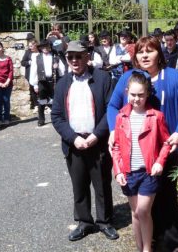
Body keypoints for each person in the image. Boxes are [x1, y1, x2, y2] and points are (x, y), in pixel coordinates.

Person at [107, 36, 178, 252]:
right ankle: (149, 241)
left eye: (150, 51)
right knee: (144, 203)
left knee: (167, 196)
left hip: (166, 149)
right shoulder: (129, 78)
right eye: (140, 52)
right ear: (135, 56)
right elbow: (112, 107)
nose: (145, 55)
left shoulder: (173, 77)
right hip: (138, 153)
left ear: (159, 54)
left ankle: (172, 242)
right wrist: (112, 131)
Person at [51, 41, 119, 243]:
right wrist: (73, 138)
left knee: (102, 184)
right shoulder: (62, 83)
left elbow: (110, 110)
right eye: (70, 57)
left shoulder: (103, 78)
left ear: (87, 57)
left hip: (96, 141)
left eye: (78, 56)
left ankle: (105, 221)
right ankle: (84, 222)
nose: (74, 60)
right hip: (74, 144)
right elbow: (56, 116)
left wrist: (96, 135)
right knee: (79, 185)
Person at [113, 72, 172, 252]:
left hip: (148, 172)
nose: (137, 99)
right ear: (126, 92)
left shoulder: (156, 117)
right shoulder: (121, 117)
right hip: (129, 173)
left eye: (141, 95)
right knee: (134, 213)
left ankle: (148, 249)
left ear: (147, 94)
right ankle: (140, 247)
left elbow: (166, 143)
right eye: (133, 94)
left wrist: (159, 162)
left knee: (143, 211)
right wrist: (118, 171)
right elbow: (116, 146)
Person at [29, 39, 58, 127]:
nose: (45, 48)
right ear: (41, 48)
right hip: (41, 82)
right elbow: (33, 71)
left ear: (49, 47)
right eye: (43, 47)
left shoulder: (53, 56)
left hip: (52, 81)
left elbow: (60, 69)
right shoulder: (37, 57)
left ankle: (55, 119)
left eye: (47, 46)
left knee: (54, 101)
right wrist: (34, 84)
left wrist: (56, 65)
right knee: (41, 101)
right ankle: (41, 119)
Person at [20, 39, 40, 112]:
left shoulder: (40, 52)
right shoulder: (28, 52)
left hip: (40, 74)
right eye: (29, 46)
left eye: (31, 46)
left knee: (41, 89)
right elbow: (22, 62)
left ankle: (43, 104)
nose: (30, 47)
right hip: (30, 74)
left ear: (35, 45)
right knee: (32, 90)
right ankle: (36, 105)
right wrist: (28, 62)